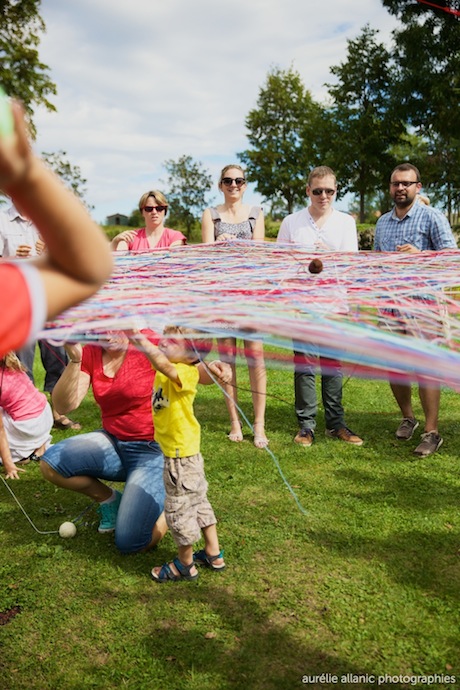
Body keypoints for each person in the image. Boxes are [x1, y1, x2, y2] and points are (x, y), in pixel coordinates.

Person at [39, 331, 231, 554]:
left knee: (132, 542)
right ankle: (110, 500)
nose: (108, 334)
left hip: (153, 451)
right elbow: (64, 406)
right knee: (52, 463)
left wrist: (215, 366)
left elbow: (190, 367)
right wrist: (75, 360)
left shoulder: (147, 342)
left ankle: (172, 506)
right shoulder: (91, 351)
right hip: (114, 441)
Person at [0, 95, 112, 361]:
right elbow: (85, 272)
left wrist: (48, 249)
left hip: (41, 298)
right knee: (23, 366)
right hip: (33, 292)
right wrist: (26, 174)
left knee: (57, 363)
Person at [129, 326, 225, 583]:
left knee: (178, 509)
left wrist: (140, 340)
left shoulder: (184, 371)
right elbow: (160, 363)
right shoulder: (173, 364)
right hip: (185, 452)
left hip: (180, 456)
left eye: (172, 341)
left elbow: (162, 364)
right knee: (197, 500)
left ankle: (185, 564)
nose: (162, 342)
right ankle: (213, 553)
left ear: (192, 355)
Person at [374, 162, 457, 457]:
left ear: (418, 187)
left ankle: (432, 432)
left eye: (406, 183)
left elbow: (451, 259)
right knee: (396, 368)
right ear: (390, 187)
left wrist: (421, 256)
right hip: (390, 307)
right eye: (396, 183)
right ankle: (408, 416)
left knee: (426, 369)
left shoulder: (432, 217)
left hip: (424, 306)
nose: (400, 188)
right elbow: (375, 261)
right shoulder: (382, 222)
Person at [277, 165, 363, 448]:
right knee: (305, 367)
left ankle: (336, 424)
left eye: (329, 191)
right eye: (317, 191)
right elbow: (281, 263)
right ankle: (306, 426)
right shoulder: (292, 222)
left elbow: (350, 265)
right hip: (302, 306)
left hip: (334, 305)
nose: (323, 196)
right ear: (308, 191)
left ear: (336, 191)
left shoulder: (345, 222)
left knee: (332, 366)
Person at [201, 164, 268, 449]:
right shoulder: (210, 214)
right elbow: (205, 257)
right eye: (228, 181)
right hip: (222, 297)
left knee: (256, 358)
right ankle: (235, 423)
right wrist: (218, 244)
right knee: (227, 362)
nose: (233, 185)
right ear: (220, 185)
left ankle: (260, 425)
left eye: (239, 180)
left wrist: (242, 247)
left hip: (250, 296)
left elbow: (261, 254)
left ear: (245, 184)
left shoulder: (256, 213)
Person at [0, 201, 81, 431]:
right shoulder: (1, 220)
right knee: (22, 361)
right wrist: (13, 258)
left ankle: (57, 412)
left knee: (57, 355)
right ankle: (29, 416)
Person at [0, 351, 53, 479]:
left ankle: (21, 455)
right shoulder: (11, 365)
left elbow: (0, 430)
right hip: (45, 415)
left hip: (27, 426)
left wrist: (9, 464)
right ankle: (38, 445)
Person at [110, 190, 186, 251]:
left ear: (165, 211)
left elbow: (175, 261)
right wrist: (115, 242)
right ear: (142, 212)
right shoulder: (131, 237)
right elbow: (119, 261)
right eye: (149, 209)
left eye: (159, 208)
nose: (154, 212)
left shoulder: (175, 237)